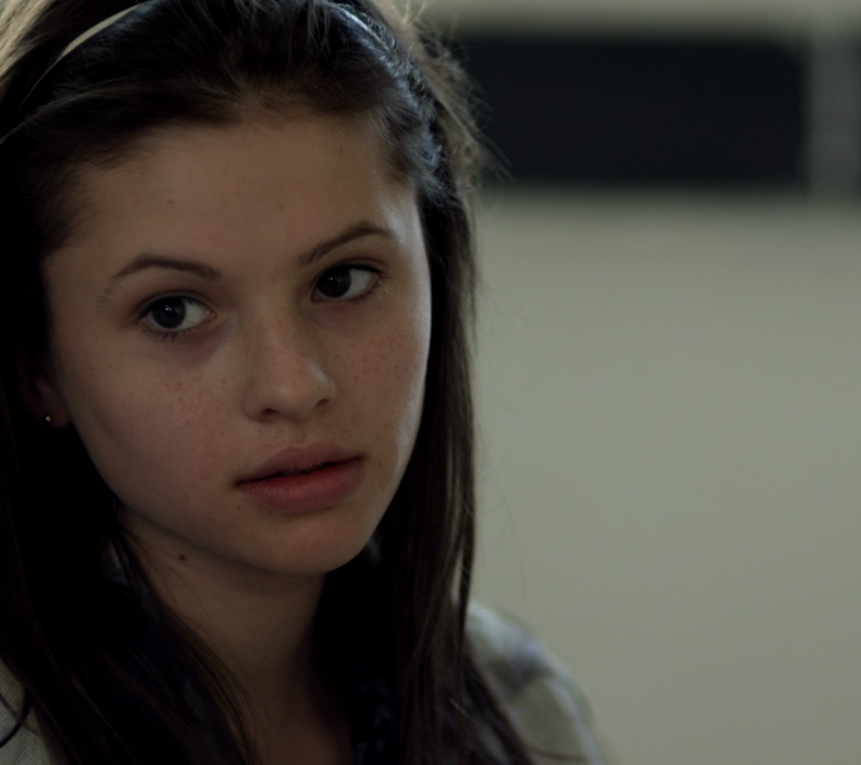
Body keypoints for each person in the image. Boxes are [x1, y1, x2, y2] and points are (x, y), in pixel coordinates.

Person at [0, 0, 606, 762]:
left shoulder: (520, 712)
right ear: (40, 372)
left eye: (341, 280)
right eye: (174, 311)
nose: (292, 386)